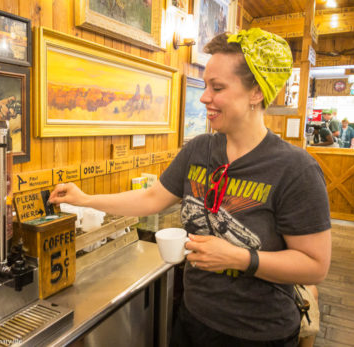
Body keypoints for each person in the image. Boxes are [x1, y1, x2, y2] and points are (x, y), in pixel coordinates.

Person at [49, 28, 331, 347]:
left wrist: (240, 258)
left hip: (259, 334)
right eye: (206, 85)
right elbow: (152, 197)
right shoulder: (199, 150)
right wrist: (86, 199)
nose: (204, 96)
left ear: (256, 93)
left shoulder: (295, 169)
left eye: (218, 87)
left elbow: (314, 266)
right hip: (194, 320)